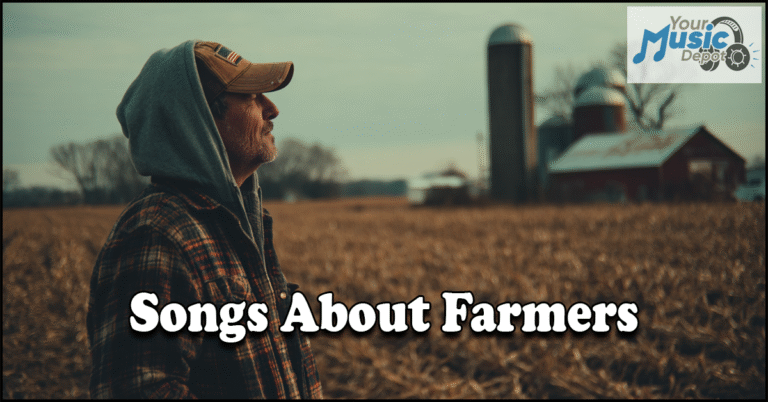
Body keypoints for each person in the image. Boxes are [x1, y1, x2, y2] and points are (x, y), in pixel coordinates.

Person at [86, 40, 323, 399]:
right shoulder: (157, 233)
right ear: (199, 121)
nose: (272, 109)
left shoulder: (236, 224)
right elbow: (140, 390)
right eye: (251, 97)